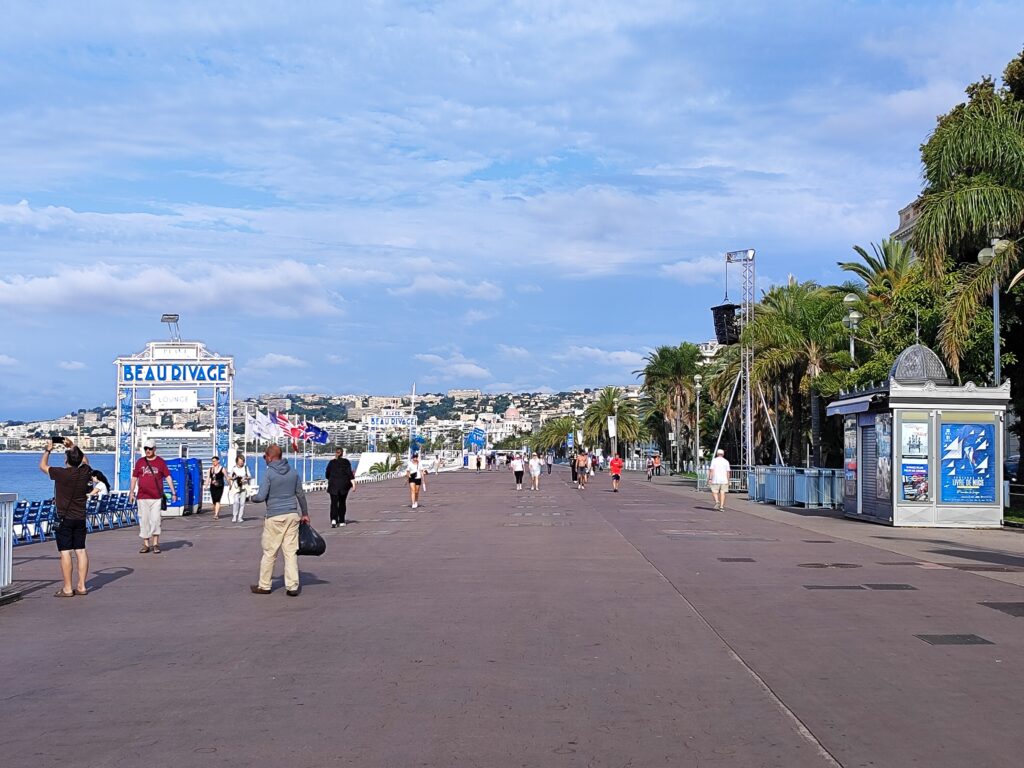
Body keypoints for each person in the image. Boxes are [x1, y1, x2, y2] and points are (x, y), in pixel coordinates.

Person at [250, 443, 309, 597]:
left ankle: (264, 585)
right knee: (290, 552)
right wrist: (305, 513)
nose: (264, 459)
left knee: (270, 552)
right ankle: (292, 586)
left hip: (274, 516)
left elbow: (261, 496)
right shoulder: (293, 472)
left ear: (270, 457)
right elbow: (300, 494)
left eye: (265, 457)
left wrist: (252, 498)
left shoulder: (269, 473)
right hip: (292, 515)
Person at [39, 438, 92, 597]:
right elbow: (86, 461)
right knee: (81, 550)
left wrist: (48, 450)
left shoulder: (61, 473)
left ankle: (68, 588)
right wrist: (73, 446)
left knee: (65, 552)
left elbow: (43, 466)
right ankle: (82, 586)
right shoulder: (85, 472)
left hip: (64, 518)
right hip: (80, 517)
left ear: (66, 461)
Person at [129, 439, 176, 554]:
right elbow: (134, 478)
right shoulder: (140, 462)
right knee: (144, 520)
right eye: (146, 448)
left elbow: (168, 477)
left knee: (155, 520)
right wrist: (131, 492)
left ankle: (155, 543)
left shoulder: (160, 462)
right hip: (142, 496)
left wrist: (173, 492)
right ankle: (146, 544)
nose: (148, 451)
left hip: (156, 497)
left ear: (154, 449)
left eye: (150, 448)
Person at [325, 447, 356, 527]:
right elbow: (349, 473)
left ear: (336, 453)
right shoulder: (346, 462)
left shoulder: (331, 462)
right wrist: (353, 484)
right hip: (343, 485)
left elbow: (327, 473)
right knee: (342, 502)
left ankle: (334, 520)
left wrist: (330, 479)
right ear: (342, 453)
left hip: (333, 485)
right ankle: (341, 520)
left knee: (334, 503)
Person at [228, 454, 251, 523]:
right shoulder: (234, 468)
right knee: (236, 501)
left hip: (244, 486)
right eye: (240, 461)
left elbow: (249, 476)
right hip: (236, 487)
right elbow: (229, 477)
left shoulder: (245, 468)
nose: (241, 463)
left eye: (242, 461)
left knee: (242, 503)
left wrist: (245, 478)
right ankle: (234, 516)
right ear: (237, 461)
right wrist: (235, 477)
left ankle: (240, 517)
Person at [207, 455, 226, 520]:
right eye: (212, 461)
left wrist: (230, 484)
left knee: (218, 499)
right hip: (212, 486)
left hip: (220, 486)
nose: (213, 462)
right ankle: (215, 511)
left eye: (215, 461)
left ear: (218, 461)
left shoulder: (222, 469)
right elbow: (208, 478)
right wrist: (206, 485)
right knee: (214, 500)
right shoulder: (210, 469)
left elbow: (226, 476)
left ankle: (216, 514)